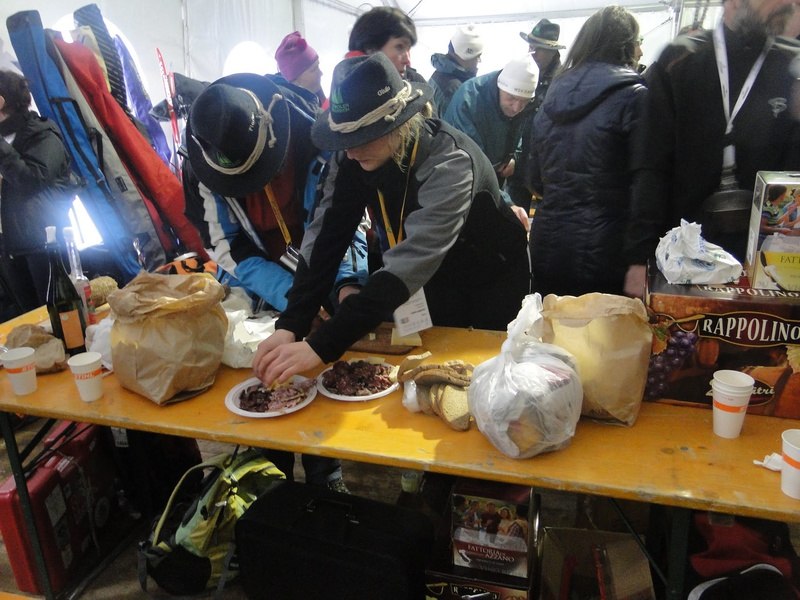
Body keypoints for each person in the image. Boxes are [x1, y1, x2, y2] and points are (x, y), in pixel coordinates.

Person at [252, 52, 530, 387]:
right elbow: (326, 237)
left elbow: (409, 262)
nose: (351, 151)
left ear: (401, 121)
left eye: (363, 137)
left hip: (491, 276)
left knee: (480, 379)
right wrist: (291, 323)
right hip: (431, 279)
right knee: (429, 375)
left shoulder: (451, 163)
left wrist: (321, 345)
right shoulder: (352, 155)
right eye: (344, 139)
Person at [185, 73, 368, 493]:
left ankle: (326, 473)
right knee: (271, 379)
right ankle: (271, 478)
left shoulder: (315, 138)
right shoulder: (201, 162)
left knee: (322, 369)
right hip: (261, 284)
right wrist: (293, 304)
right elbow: (227, 246)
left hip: (325, 264)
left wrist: (347, 285)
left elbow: (345, 219)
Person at [623, 0, 800, 298]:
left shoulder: (790, 66)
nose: (789, 2)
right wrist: (639, 257)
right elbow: (651, 166)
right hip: (679, 260)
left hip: (768, 268)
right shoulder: (680, 60)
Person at [526, 6, 646, 297]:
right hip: (608, 251)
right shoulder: (635, 98)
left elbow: (534, 180)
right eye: (638, 41)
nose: (641, 51)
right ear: (625, 45)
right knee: (603, 326)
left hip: (548, 244)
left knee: (552, 324)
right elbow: (647, 186)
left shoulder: (551, 97)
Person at [0, 69, 74, 313]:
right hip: (12, 245)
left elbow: (33, 178)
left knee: (59, 316)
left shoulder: (42, 133)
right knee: (30, 319)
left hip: (44, 242)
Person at [443, 56, 537, 189]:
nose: (516, 108)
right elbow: (469, 164)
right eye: (511, 98)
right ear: (500, 87)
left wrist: (514, 157)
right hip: (460, 182)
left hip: (494, 178)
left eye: (524, 101)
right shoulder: (468, 101)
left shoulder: (522, 105)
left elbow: (518, 131)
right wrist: (502, 199)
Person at [506, 19, 567, 211]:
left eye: (539, 48)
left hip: (548, 167)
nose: (532, 52)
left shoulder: (563, 81)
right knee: (512, 219)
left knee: (548, 217)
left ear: (552, 51)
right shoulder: (522, 73)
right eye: (531, 46)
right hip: (519, 165)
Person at [346, 6, 427, 83]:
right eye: (399, 47)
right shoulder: (348, 88)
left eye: (408, 50)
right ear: (371, 49)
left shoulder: (416, 83)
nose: (407, 60)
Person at [428, 24, 484, 116]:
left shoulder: (441, 72)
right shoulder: (453, 89)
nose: (479, 61)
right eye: (477, 57)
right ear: (465, 56)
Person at [274, 31, 326, 105]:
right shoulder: (289, 109)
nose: (321, 73)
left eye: (318, 66)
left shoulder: (317, 95)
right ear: (294, 80)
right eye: (314, 69)